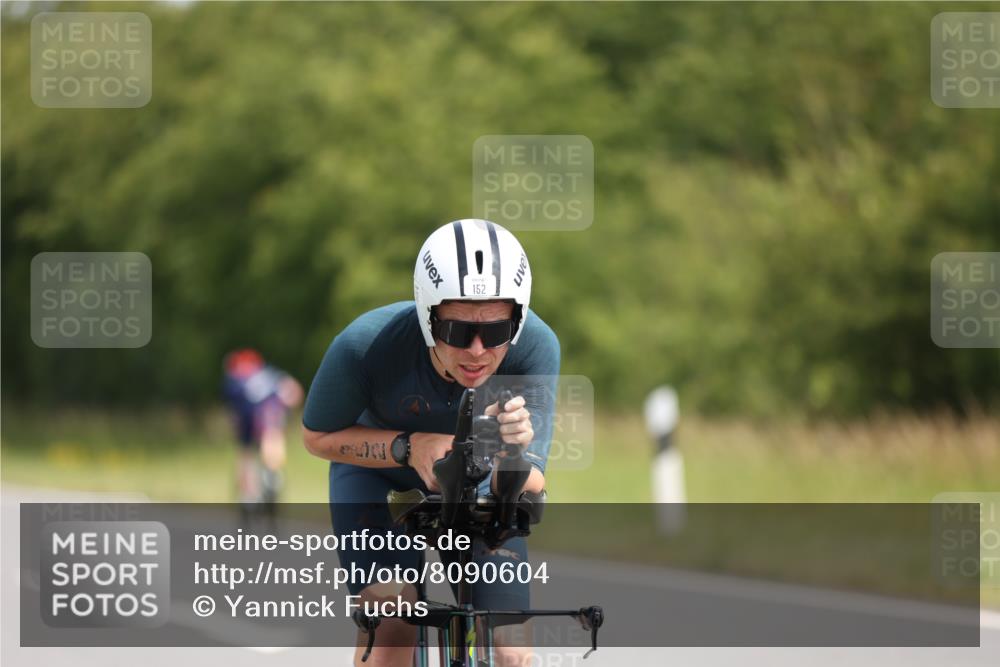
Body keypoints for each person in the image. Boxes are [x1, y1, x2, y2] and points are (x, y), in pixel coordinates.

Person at [302, 219, 559, 667]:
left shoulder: (535, 348)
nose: (478, 351)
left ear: (517, 322)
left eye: (496, 332)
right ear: (428, 316)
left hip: (476, 484)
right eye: (458, 332)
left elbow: (532, 483)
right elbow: (315, 437)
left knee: (513, 649)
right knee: (392, 631)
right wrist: (408, 446)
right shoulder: (366, 345)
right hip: (376, 478)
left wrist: (512, 455)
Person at [222, 348, 304, 511]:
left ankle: (249, 493)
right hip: (270, 410)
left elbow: (233, 413)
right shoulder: (269, 374)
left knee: (245, 451)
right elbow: (294, 390)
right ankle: (272, 475)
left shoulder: (234, 379)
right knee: (272, 434)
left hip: (249, 412)